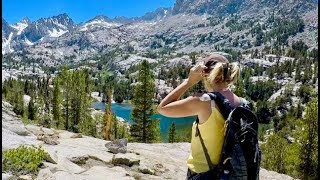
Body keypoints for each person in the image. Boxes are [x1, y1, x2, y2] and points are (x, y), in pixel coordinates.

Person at [157, 53, 241, 179]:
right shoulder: (242, 103)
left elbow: (162, 109)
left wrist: (189, 82)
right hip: (231, 174)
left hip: (204, 174)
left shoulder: (204, 101)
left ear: (205, 73)